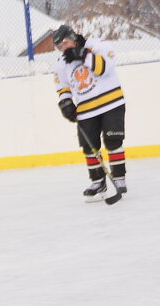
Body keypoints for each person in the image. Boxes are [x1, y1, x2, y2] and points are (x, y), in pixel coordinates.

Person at [51, 24, 128, 201]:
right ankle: (98, 181)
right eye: (60, 46)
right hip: (86, 109)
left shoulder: (97, 45)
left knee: (113, 140)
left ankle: (119, 178)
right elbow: (62, 86)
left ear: (73, 37)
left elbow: (105, 68)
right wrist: (66, 102)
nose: (64, 48)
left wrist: (83, 54)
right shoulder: (61, 63)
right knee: (89, 146)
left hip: (111, 103)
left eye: (65, 43)